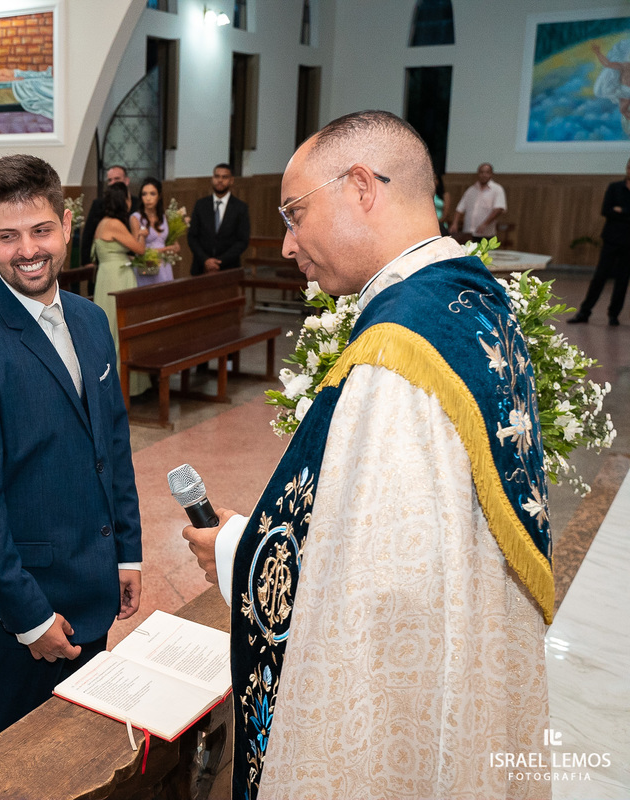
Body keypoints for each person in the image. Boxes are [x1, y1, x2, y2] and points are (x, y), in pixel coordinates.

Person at [182, 110, 551, 800]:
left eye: (295, 215)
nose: (289, 246)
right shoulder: (474, 299)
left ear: (360, 187)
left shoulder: (400, 354)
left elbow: (381, 598)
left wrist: (235, 550)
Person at [0, 154, 143, 757]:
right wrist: (30, 619)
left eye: (41, 230)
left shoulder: (94, 321)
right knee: (14, 765)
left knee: (82, 758)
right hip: (20, 615)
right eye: (8, 236)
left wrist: (128, 553)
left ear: (67, 225)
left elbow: (112, 445)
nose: (28, 250)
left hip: (93, 587)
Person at [92, 182, 148, 396]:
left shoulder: (103, 222)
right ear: (123, 200)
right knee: (118, 330)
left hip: (108, 276)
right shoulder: (115, 224)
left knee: (113, 328)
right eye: (128, 198)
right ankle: (119, 388)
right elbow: (140, 249)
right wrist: (141, 232)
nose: (129, 201)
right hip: (117, 277)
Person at [569, 156, 630, 326]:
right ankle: (584, 312)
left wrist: (621, 210)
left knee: (623, 280)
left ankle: (614, 315)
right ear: (626, 168)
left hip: (628, 242)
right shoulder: (615, 187)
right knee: (599, 277)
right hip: (611, 239)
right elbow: (606, 210)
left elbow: (615, 211)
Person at [187, 163, 250, 275]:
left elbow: (242, 240)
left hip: (229, 267)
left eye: (224, 177)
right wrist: (206, 260)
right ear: (212, 179)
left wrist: (219, 262)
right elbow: (192, 237)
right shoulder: (201, 205)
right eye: (217, 176)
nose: (220, 180)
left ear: (231, 180)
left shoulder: (240, 208)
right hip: (201, 267)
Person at [79, 165, 138, 267]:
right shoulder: (99, 204)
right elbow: (88, 233)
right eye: (110, 180)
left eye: (117, 179)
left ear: (127, 180)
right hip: (106, 261)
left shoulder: (137, 203)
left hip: (133, 260)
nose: (113, 183)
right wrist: (87, 262)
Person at [132, 177, 179, 286]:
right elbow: (137, 249)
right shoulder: (136, 218)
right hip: (147, 266)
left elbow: (174, 243)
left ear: (159, 196)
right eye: (144, 194)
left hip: (164, 266)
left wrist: (174, 248)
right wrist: (166, 249)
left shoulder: (164, 216)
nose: (148, 198)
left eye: (152, 194)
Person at [449, 162, 506, 239]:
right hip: (469, 233)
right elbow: (460, 208)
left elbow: (498, 209)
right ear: (478, 174)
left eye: (487, 172)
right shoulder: (471, 190)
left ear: (491, 174)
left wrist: (485, 224)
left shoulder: (497, 189)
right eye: (481, 172)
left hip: (486, 234)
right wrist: (454, 223)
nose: (484, 175)